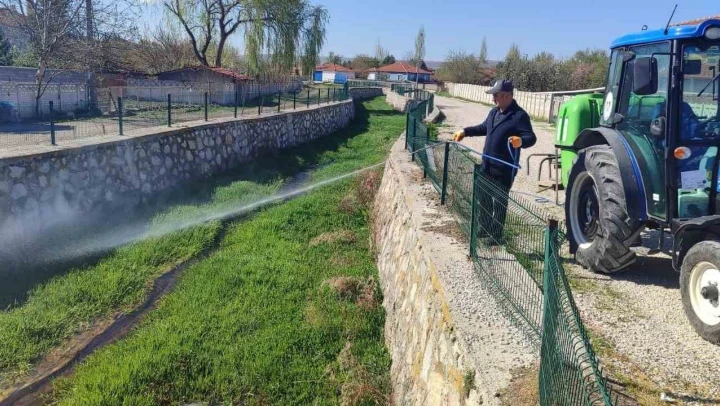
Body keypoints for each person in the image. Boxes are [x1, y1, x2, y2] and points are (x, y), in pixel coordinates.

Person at [452, 79, 537, 245]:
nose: (493, 98)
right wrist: (465, 131)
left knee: (498, 202)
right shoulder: (494, 112)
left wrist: (521, 141)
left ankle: (496, 235)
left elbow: (531, 137)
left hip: (504, 169)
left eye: (496, 95)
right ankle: (484, 228)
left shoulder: (519, 116)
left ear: (506, 96)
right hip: (487, 165)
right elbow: (483, 128)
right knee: (483, 197)